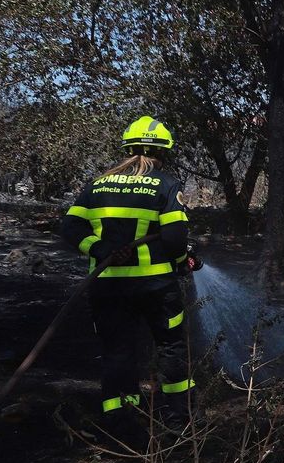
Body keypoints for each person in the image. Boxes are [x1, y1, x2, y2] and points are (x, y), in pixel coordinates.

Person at [60, 117, 199, 439]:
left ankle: (121, 421)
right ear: (164, 152)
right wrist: (182, 262)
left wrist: (101, 248)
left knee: (117, 349)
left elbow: (70, 228)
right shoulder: (165, 185)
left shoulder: (98, 185)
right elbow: (176, 239)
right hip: (156, 287)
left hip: (107, 286)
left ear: (127, 148)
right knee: (170, 346)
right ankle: (179, 419)